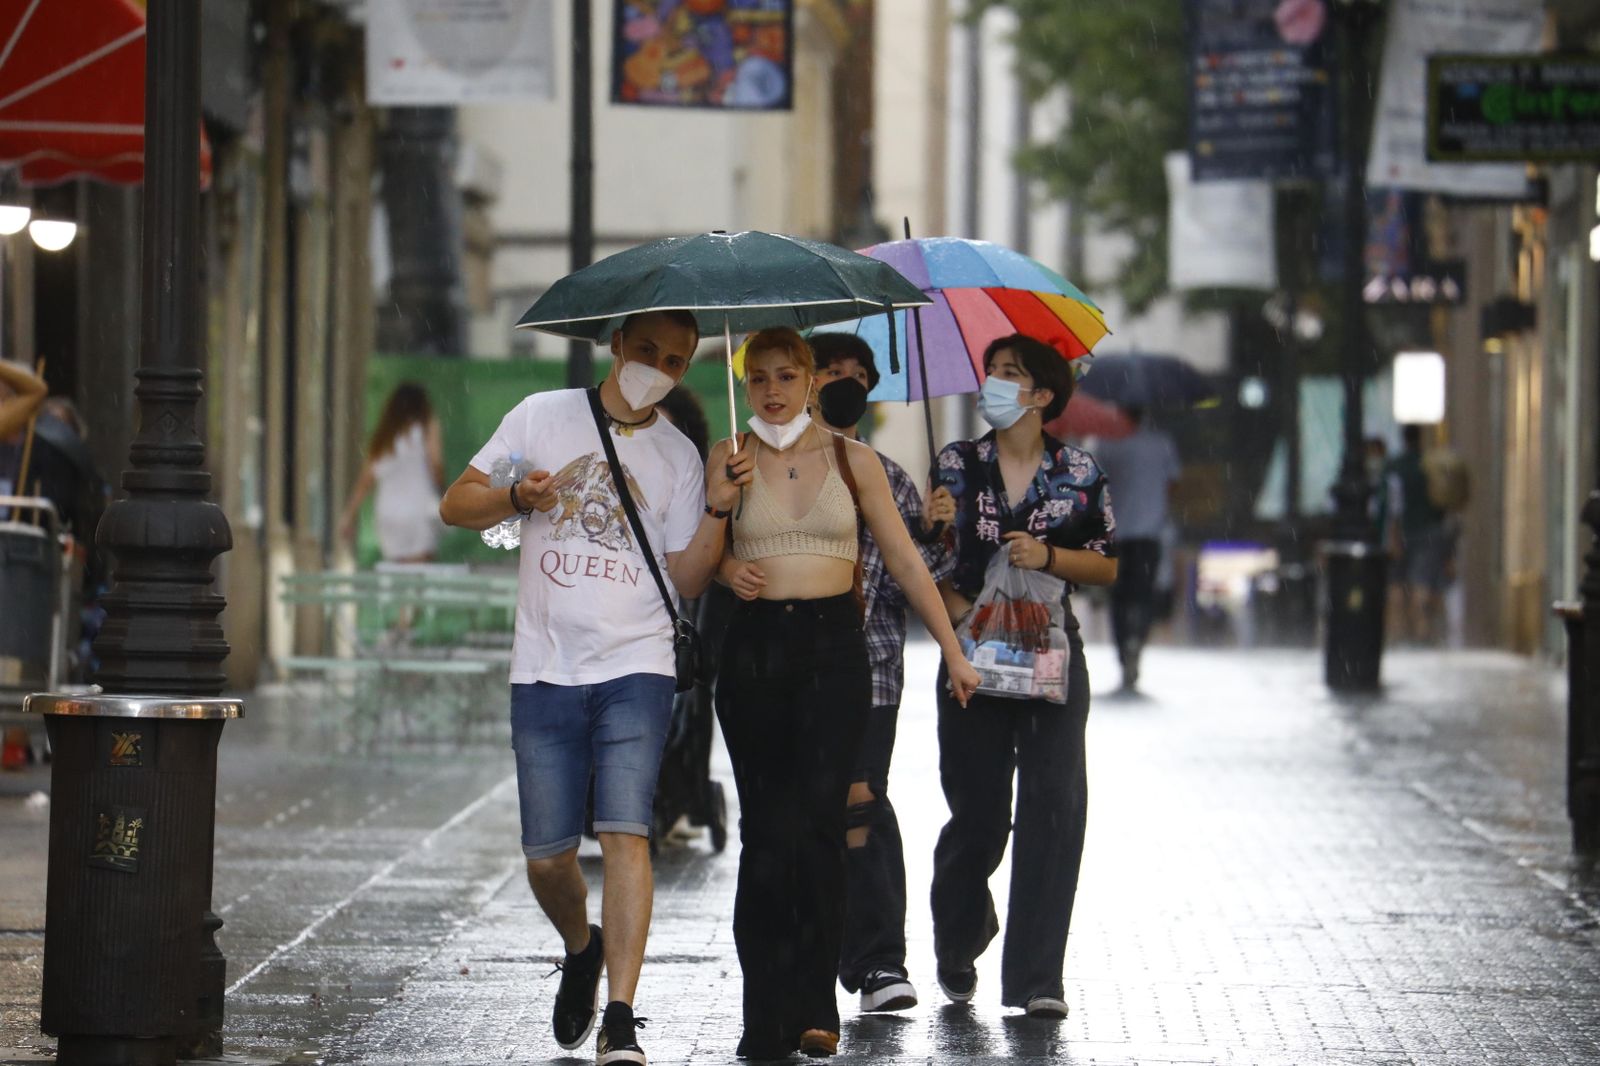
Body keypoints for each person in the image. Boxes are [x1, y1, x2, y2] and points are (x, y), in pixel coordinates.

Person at [439, 310, 750, 1066]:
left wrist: (717, 505)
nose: (658, 367)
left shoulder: (679, 454)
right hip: (544, 668)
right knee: (547, 857)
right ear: (615, 345)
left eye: (675, 360)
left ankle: (620, 1015)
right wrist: (518, 498)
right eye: (646, 350)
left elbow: (686, 578)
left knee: (625, 833)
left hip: (636, 667)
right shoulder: (542, 416)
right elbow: (456, 504)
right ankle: (582, 947)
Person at [713, 327, 979, 1060]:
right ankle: (762, 1009)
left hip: (836, 650)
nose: (771, 389)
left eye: (784, 375)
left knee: (824, 834)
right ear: (746, 384)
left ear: (807, 380)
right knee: (765, 837)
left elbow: (904, 558)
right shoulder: (727, 460)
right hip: (756, 654)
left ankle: (813, 1004)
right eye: (757, 376)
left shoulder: (851, 459)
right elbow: (693, 561)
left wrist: (954, 652)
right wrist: (723, 551)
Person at [927, 333, 1117, 1019]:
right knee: (978, 816)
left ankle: (1038, 977)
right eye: (991, 372)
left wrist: (1048, 555)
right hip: (973, 659)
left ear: (1043, 394)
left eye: (1012, 374)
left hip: (1050, 658)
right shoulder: (956, 465)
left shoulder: (1078, 472)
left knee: (1055, 808)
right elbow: (928, 564)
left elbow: (1107, 562)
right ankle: (958, 934)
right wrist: (931, 522)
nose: (995, 384)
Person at [805, 332, 940, 1015]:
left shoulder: (890, 478)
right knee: (805, 813)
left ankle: (880, 959)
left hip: (872, 670)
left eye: (859, 373)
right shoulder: (768, 468)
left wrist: (937, 529)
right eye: (833, 370)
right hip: (791, 675)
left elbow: (921, 579)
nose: (846, 382)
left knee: (862, 800)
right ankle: (820, 954)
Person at [1088, 406, 1179, 690]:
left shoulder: (1104, 443)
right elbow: (1173, 484)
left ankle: (1124, 651)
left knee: (1119, 597)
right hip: (1148, 532)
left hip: (1114, 532)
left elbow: (1093, 486)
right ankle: (1135, 644)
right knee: (1142, 594)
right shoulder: (1160, 443)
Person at [339, 382, 446, 563]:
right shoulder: (427, 425)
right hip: (418, 510)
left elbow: (366, 478)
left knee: (397, 573)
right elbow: (435, 463)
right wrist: (443, 491)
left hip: (388, 512)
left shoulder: (385, 436)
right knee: (421, 574)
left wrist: (349, 515)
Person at [1385, 424, 1450, 645]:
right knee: (1422, 582)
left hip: (1404, 530)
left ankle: (1402, 633)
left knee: (1399, 583)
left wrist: (1393, 534)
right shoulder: (1430, 466)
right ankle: (1422, 632)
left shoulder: (1395, 468)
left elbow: (1393, 505)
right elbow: (1442, 501)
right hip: (1430, 530)